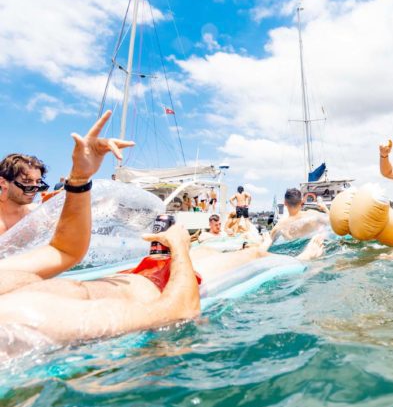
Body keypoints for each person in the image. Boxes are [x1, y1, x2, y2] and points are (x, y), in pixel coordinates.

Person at [0, 114, 324, 359]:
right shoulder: (28, 323)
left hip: (136, 276)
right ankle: (303, 259)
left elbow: (64, 250)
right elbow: (180, 312)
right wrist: (180, 247)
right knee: (252, 254)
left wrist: (80, 177)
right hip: (163, 290)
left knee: (211, 254)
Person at [0, 153, 49, 235]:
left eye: (38, 182)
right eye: (26, 181)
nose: (35, 188)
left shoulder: (39, 215)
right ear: (3, 182)